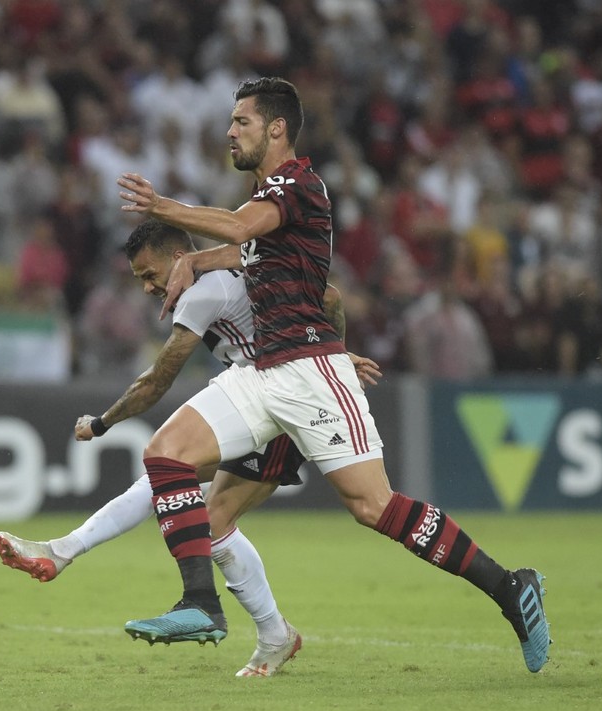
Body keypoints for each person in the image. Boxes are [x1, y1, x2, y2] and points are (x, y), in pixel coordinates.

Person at [114, 76, 551, 673]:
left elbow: (240, 229)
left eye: (241, 121)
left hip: (308, 370)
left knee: (373, 507)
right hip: (261, 372)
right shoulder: (267, 201)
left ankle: (510, 588)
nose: (230, 131)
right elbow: (243, 248)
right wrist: (193, 258)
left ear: (276, 128)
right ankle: (200, 604)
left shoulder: (298, 183)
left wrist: (162, 207)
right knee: (166, 456)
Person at [0, 219, 380, 677]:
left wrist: (101, 423)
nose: (147, 287)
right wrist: (331, 356)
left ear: (180, 259)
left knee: (207, 515)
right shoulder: (233, 275)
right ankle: (63, 550)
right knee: (167, 480)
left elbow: (156, 380)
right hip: (258, 398)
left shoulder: (204, 292)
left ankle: (258, 626)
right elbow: (328, 298)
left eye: (149, 274)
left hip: (277, 408)